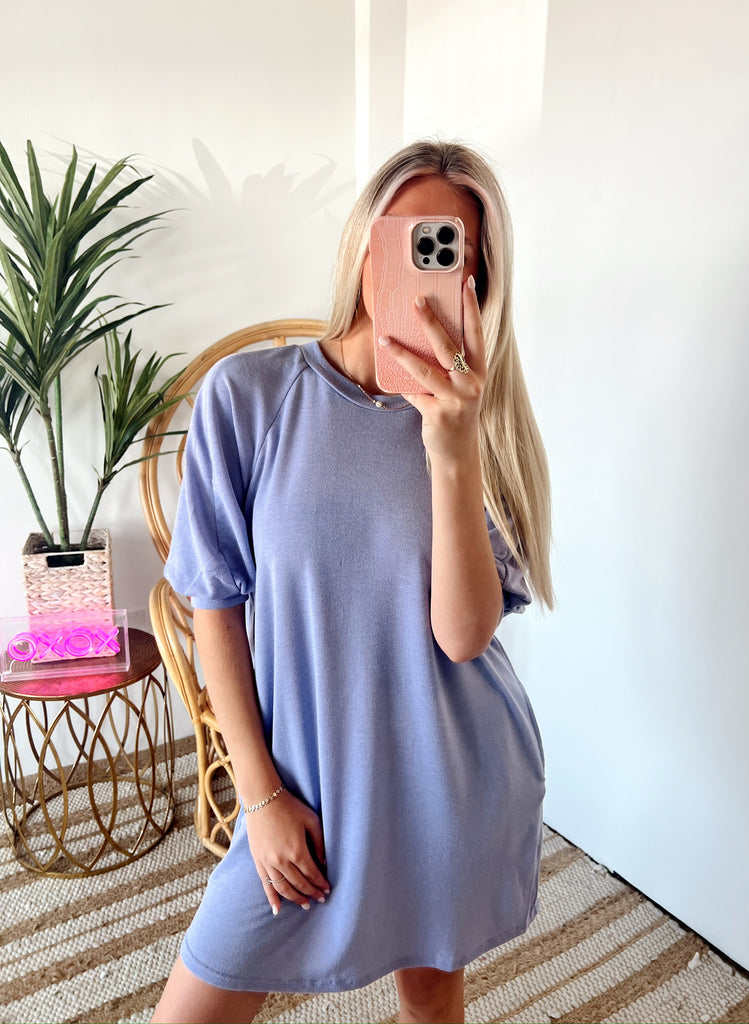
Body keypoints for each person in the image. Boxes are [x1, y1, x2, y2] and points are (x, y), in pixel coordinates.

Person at [152, 139, 553, 1024]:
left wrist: (452, 449)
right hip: (301, 789)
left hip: (447, 784)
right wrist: (259, 797)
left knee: (431, 1004)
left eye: (447, 249)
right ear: (363, 246)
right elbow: (214, 604)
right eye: (403, 236)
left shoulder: (478, 427)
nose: (420, 265)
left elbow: (463, 636)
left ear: (477, 281)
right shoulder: (249, 397)